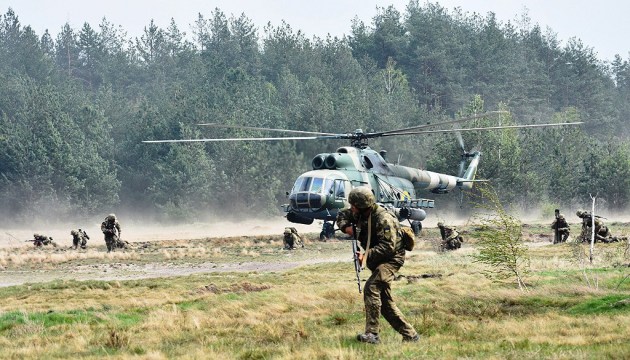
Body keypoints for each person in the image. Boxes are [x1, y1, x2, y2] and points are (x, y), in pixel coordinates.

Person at [336, 186, 419, 344]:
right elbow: (341, 215)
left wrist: (365, 256)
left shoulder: (383, 219)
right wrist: (346, 228)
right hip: (377, 259)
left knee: (371, 288)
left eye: (353, 205)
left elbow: (388, 247)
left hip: (392, 259)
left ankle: (372, 334)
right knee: (384, 301)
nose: (351, 208)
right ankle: (410, 335)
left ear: (362, 206)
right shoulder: (357, 212)